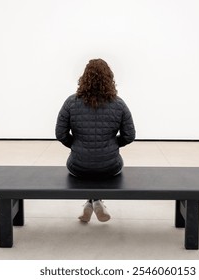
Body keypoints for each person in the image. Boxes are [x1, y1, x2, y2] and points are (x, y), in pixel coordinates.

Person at [55, 59, 136, 223]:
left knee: (88, 170)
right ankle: (97, 201)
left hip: (78, 166)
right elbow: (129, 135)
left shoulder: (71, 102)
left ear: (84, 78)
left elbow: (60, 133)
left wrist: (77, 145)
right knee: (101, 170)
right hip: (110, 166)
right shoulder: (119, 104)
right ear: (109, 78)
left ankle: (91, 202)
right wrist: (112, 145)